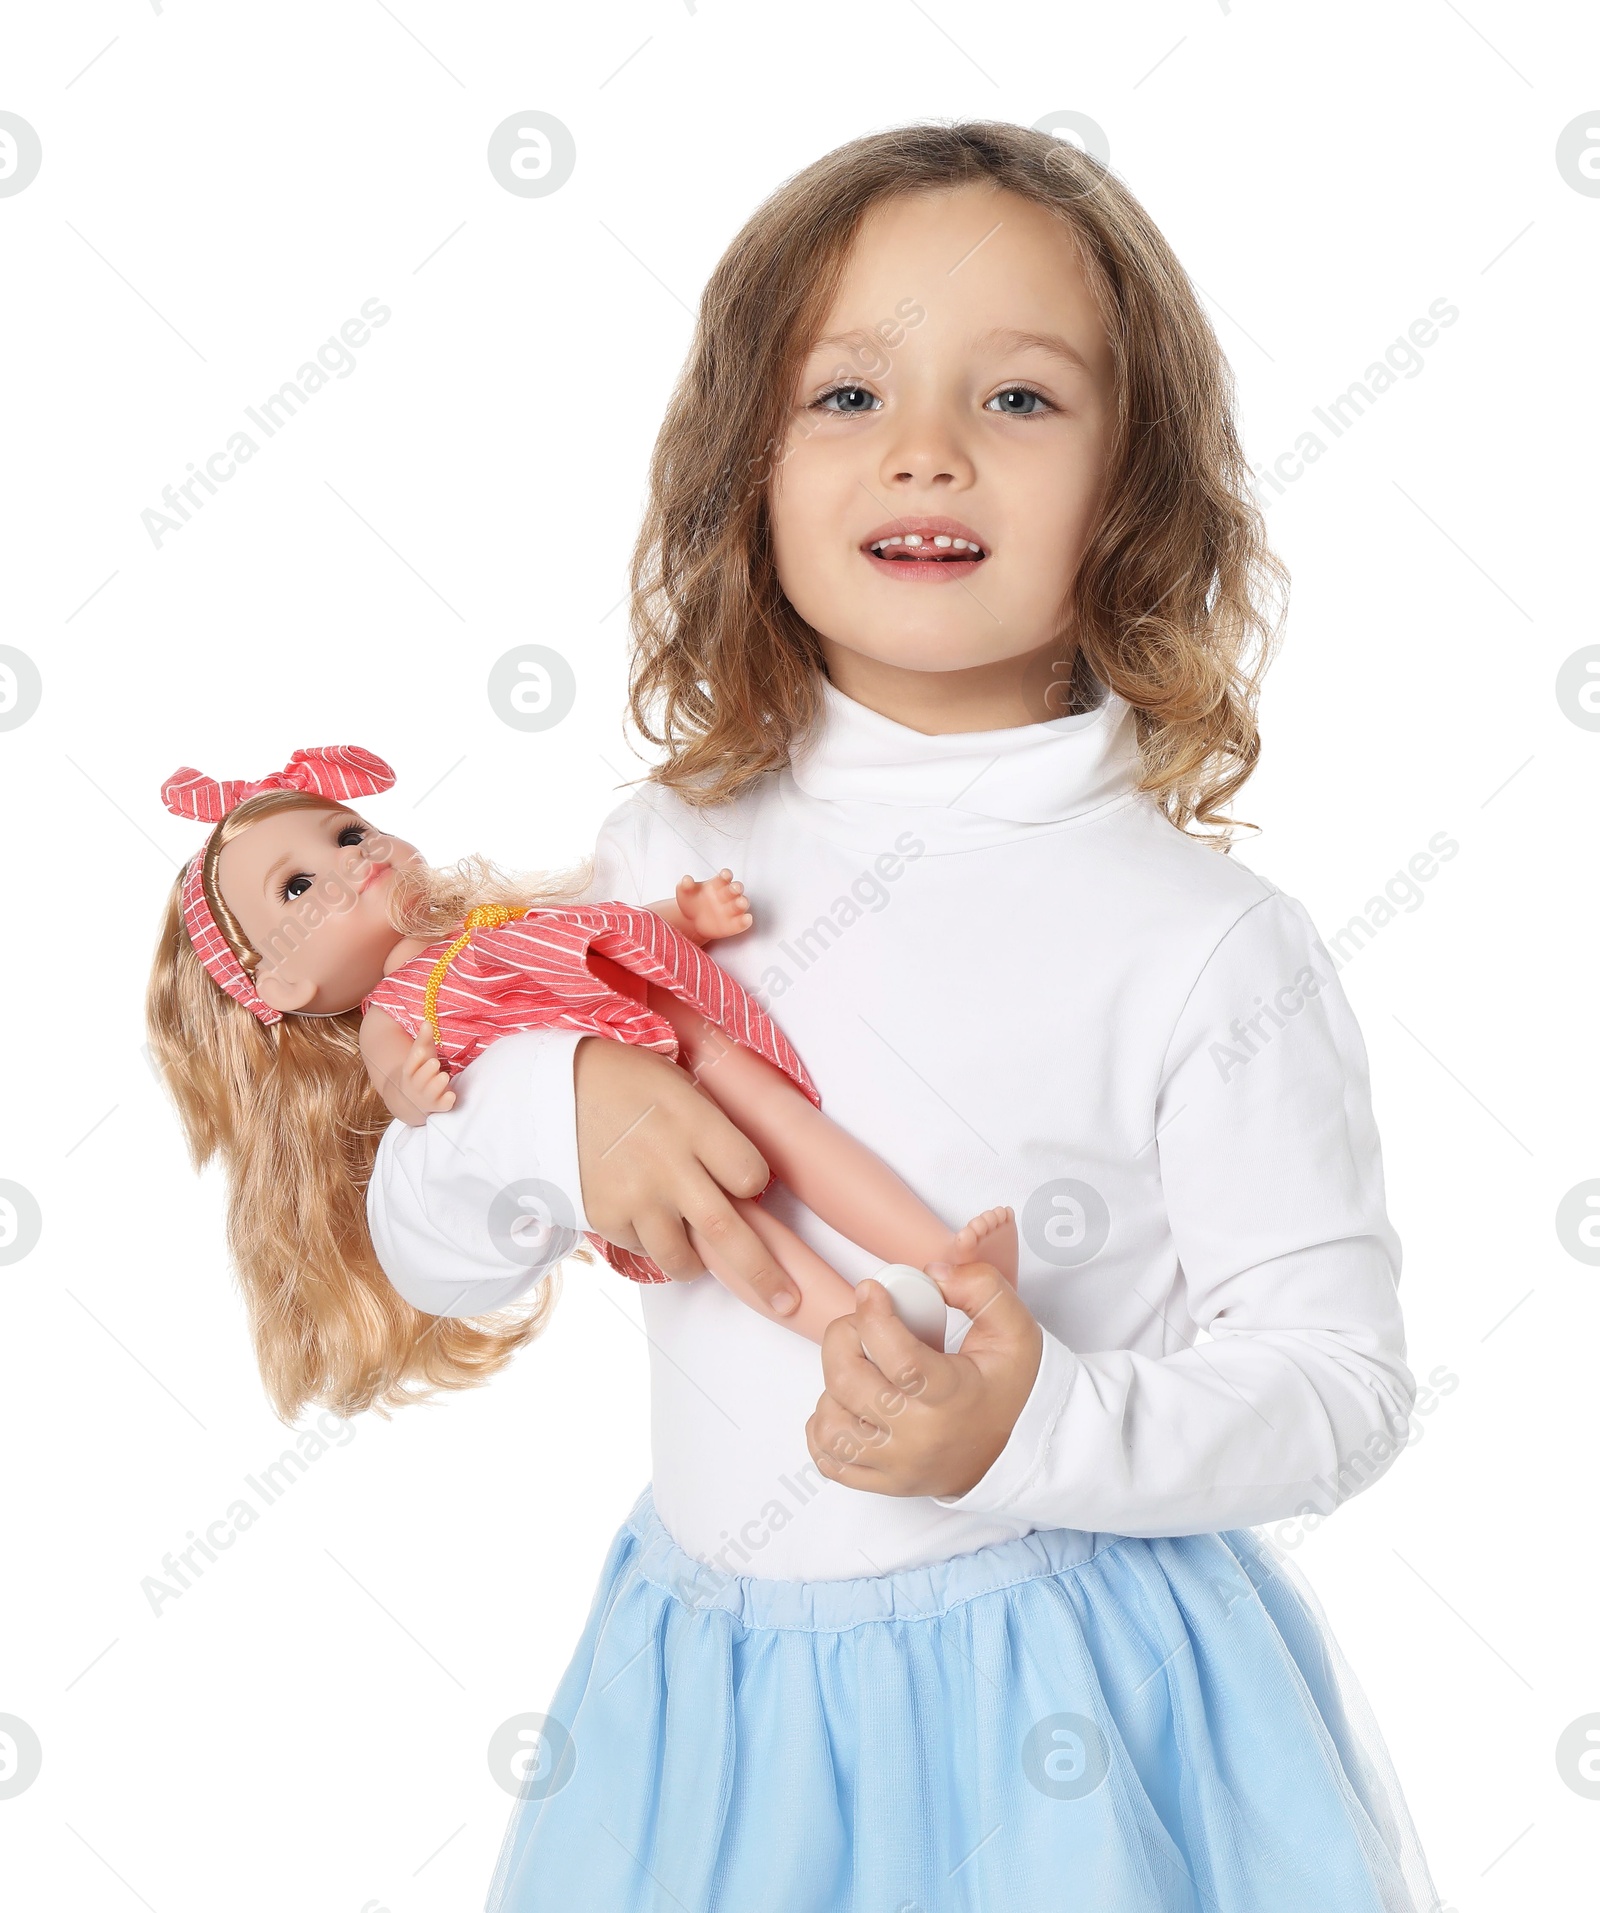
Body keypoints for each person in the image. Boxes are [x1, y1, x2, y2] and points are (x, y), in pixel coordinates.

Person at [367, 122, 1440, 1911]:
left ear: (1138, 489)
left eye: (1020, 400)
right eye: (846, 393)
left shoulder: (1204, 942)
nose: (926, 447)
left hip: (1072, 1726)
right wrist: (557, 1102)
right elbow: (435, 1256)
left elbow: (1340, 1386)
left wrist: (1028, 1433)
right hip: (713, 1728)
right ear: (747, 471)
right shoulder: (658, 862)